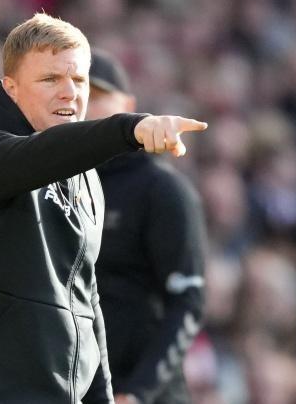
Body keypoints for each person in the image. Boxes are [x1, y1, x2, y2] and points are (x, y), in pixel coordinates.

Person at [0, 13, 207, 404]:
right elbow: (35, 157)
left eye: (79, 80)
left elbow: (86, 302)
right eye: (50, 79)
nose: (70, 92)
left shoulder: (88, 180)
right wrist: (128, 130)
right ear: (11, 88)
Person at [86, 50, 207, 404]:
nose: (86, 107)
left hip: (140, 391)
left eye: (98, 96)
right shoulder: (53, 184)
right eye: (77, 96)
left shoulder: (160, 189)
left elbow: (187, 301)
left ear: (128, 105)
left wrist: (138, 392)